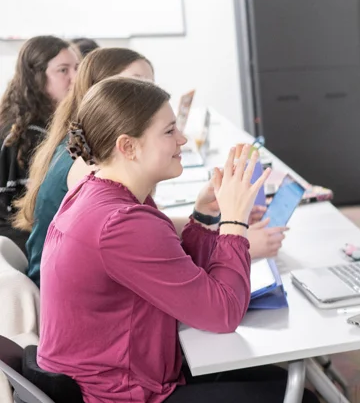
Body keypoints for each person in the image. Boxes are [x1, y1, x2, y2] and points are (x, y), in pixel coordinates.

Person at [36, 76, 323, 403]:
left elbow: (177, 262)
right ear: (128, 146)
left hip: (97, 399)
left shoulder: (104, 195)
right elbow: (220, 312)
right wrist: (234, 223)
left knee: (281, 386)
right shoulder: (119, 222)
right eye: (170, 131)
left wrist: (208, 217)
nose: (183, 140)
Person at [15, 47, 287, 286]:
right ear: (105, 92)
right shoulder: (93, 170)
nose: (149, 92)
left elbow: (152, 231)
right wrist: (237, 236)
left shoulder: (93, 151)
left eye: (150, 83)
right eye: (137, 82)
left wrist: (218, 222)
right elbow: (144, 242)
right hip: (63, 296)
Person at [0, 36, 78, 249]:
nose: (75, 77)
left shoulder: (51, 125)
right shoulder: (28, 135)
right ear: (36, 78)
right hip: (26, 244)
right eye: (63, 70)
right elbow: (38, 213)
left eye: (77, 68)